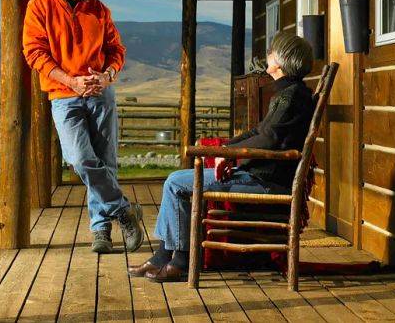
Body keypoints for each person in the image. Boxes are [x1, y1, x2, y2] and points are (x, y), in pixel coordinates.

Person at [128, 31, 314, 282]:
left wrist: (228, 156)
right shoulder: (288, 93)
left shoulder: (291, 96)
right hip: (258, 174)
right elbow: (260, 131)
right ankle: (164, 256)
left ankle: (179, 261)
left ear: (280, 62)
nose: (267, 55)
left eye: (271, 52)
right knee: (176, 180)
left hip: (266, 181)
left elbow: (269, 139)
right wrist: (225, 148)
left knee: (174, 183)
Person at [23, 0, 143, 254]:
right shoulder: (38, 8)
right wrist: (72, 81)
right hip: (64, 96)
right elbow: (35, 53)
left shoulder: (98, 9)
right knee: (80, 159)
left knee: (106, 161)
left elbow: (116, 49)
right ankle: (123, 210)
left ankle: (101, 230)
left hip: (101, 93)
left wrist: (108, 75)